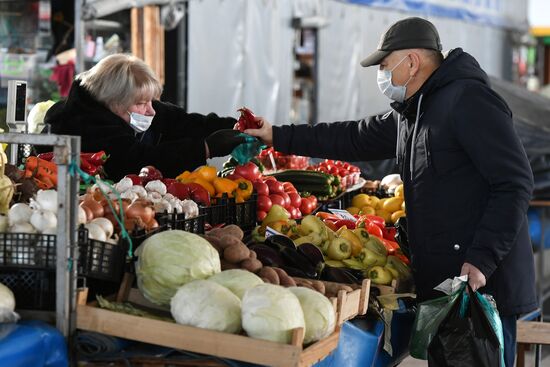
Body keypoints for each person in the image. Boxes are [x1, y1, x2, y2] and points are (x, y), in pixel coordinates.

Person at [246, 17, 536, 367]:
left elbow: (514, 182)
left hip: (479, 287)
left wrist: (481, 259)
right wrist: (278, 135)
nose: (383, 74)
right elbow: (353, 136)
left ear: (412, 62)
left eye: (385, 65)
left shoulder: (468, 101)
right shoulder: (413, 111)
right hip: (445, 284)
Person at [41, 54, 244, 180]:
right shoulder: (82, 125)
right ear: (114, 102)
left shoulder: (127, 106)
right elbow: (138, 159)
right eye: (141, 103)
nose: (151, 110)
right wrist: (206, 148)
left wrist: (239, 126)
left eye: (150, 101)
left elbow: (183, 122)